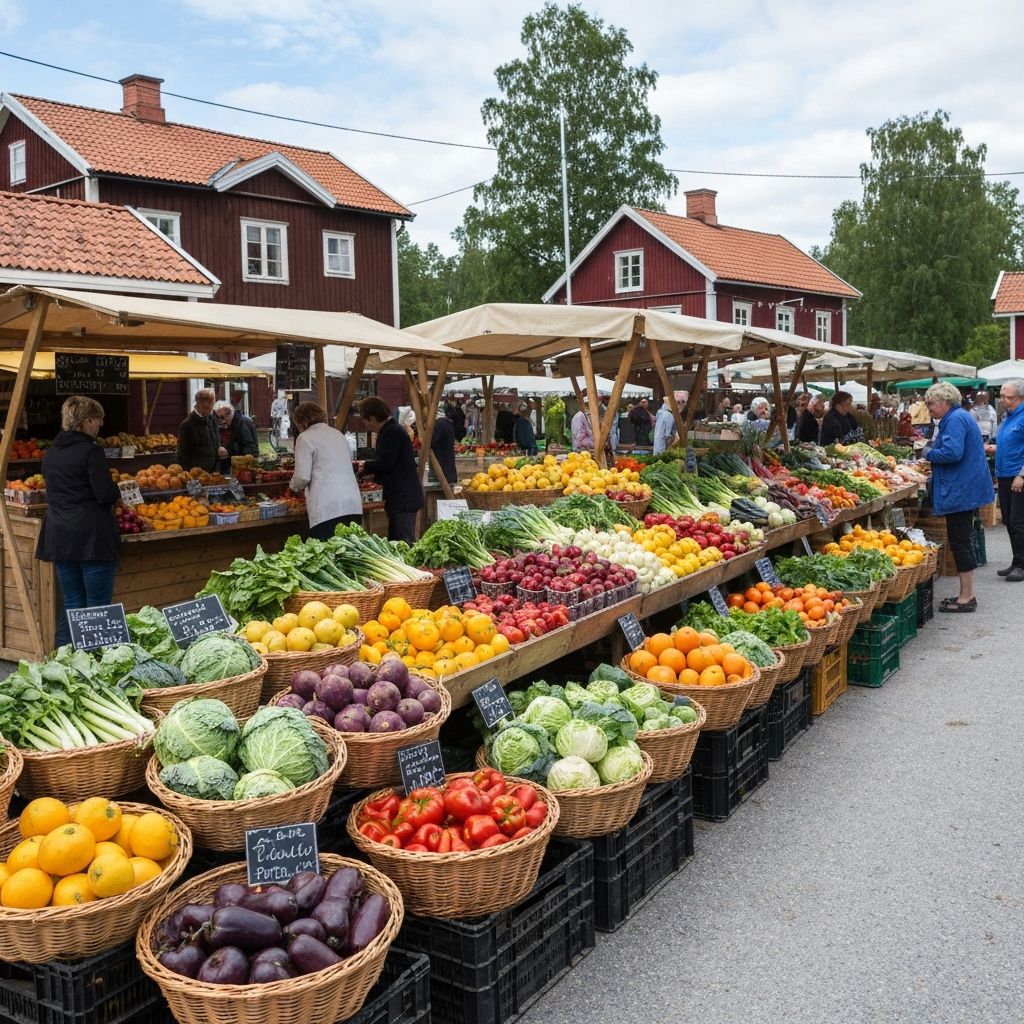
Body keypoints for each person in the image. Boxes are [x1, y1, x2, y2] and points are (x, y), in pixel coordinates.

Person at [36, 396, 122, 648]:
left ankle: (63, 658)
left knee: (72, 602)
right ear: (88, 420)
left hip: (59, 535)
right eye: (99, 421)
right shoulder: (91, 451)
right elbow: (103, 493)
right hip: (91, 537)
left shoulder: (51, 453)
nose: (100, 426)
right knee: (97, 604)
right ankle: (96, 662)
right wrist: (121, 490)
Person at [921, 382, 994, 610]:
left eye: (931, 403)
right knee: (962, 539)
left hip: (961, 489)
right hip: (964, 487)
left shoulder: (954, 419)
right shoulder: (959, 416)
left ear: (945, 401)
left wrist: (928, 452)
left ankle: (966, 598)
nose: (929, 408)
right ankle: (966, 594)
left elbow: (953, 453)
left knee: (960, 541)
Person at [289, 401, 362, 541]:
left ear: (302, 422)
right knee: (350, 554)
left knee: (328, 555)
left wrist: (292, 487)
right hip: (352, 504)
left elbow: (302, 477)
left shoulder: (305, 438)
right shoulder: (337, 434)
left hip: (327, 508)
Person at [358, 396, 424, 544]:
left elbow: (386, 462)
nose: (365, 424)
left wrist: (366, 466)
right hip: (400, 497)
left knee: (403, 543)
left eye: (365, 420)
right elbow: (392, 465)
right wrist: (374, 476)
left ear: (373, 418)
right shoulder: (390, 430)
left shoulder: (392, 432)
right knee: (398, 541)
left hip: (403, 498)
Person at [986, 379, 1024, 581]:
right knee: (1009, 520)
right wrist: (993, 449)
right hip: (1004, 474)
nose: (1004, 400)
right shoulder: (1006, 417)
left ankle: (1022, 564)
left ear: (1020, 398)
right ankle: (1017, 561)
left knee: (1018, 521)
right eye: (1002, 396)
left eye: (1009, 397)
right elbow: (1011, 444)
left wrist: (1022, 475)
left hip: (1018, 476)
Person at [177, 388, 225, 471]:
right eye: (207, 408)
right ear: (198, 404)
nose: (211, 411)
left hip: (215, 472)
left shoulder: (212, 417)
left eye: (212, 406)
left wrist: (220, 448)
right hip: (198, 475)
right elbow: (183, 456)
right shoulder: (187, 425)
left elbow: (215, 441)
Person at [214, 400, 259, 473]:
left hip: (243, 471)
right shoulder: (230, 425)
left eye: (222, 417)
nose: (222, 421)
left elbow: (252, 450)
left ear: (229, 413)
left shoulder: (243, 422)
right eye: (219, 418)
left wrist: (228, 453)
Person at [431, 405, 457, 485]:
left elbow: (434, 441)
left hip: (441, 458)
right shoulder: (448, 423)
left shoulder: (438, 424)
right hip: (449, 457)